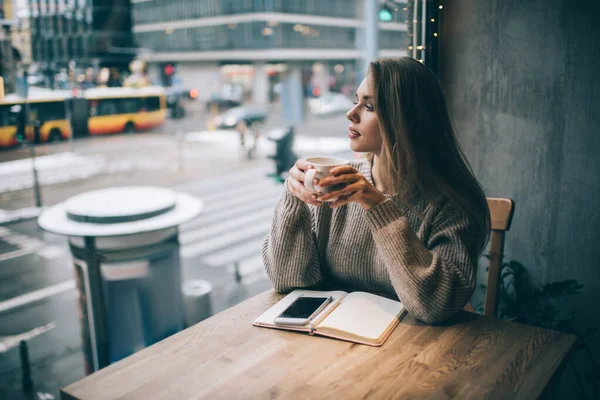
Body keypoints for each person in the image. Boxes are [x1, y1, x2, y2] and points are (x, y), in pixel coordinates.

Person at [262, 57, 491, 324]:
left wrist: (377, 205)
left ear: (407, 120)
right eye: (355, 101)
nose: (351, 113)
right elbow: (286, 280)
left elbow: (436, 304)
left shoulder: (450, 205)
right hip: (333, 341)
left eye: (369, 106)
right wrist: (294, 196)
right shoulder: (336, 181)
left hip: (417, 351)